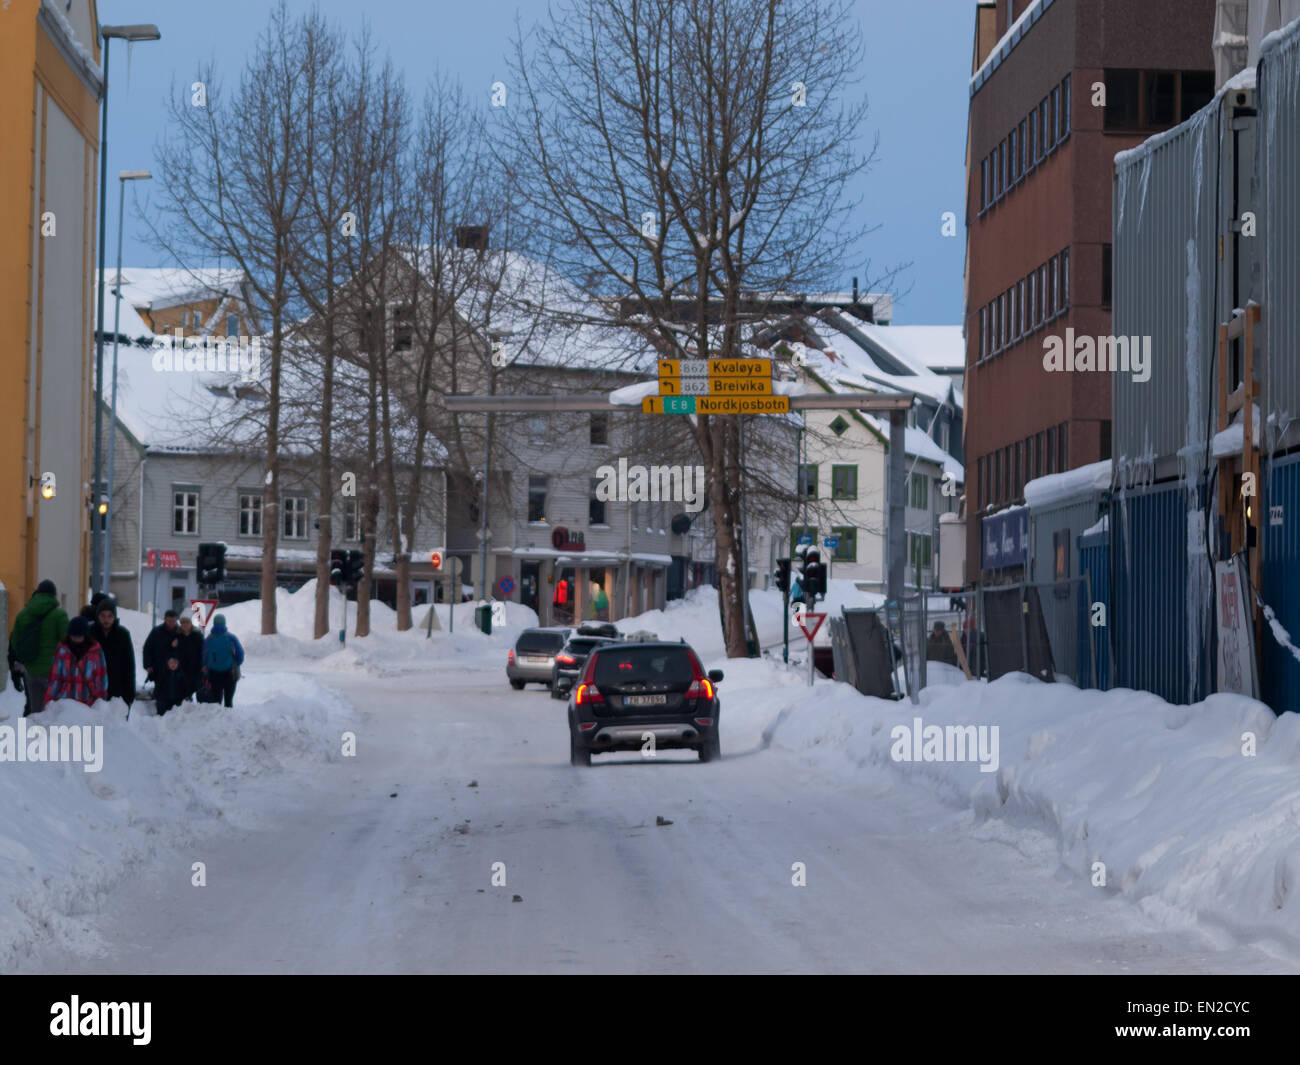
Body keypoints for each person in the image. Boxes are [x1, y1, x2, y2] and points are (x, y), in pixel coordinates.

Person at [7, 579, 68, 717]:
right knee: (54, 712)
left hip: (31, 671)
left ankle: (36, 736)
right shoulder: (59, 615)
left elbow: (15, 641)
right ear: (53, 595)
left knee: (35, 711)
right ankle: (53, 737)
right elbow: (67, 643)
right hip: (54, 673)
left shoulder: (22, 615)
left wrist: (27, 660)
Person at [44, 616, 108, 708]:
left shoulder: (95, 651)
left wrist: (101, 704)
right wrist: (48, 702)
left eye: (79, 636)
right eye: (73, 636)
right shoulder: (62, 649)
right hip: (65, 704)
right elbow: (55, 678)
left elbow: (101, 678)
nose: (76, 639)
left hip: (88, 705)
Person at [94, 598, 136, 708]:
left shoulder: (122, 634)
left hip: (117, 689)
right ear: (98, 616)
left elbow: (129, 665)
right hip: (95, 689)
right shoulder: (91, 633)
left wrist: (129, 694)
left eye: (110, 616)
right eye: (103, 616)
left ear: (114, 617)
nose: (106, 619)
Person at [202, 614, 245, 708]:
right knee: (228, 700)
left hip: (214, 673)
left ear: (214, 623)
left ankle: (217, 719)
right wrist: (236, 664)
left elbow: (204, 656)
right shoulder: (231, 638)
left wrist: (205, 669)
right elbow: (240, 654)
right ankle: (228, 719)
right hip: (230, 673)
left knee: (216, 700)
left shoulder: (209, 639)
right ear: (224, 623)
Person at [143, 610, 180, 693]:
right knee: (161, 691)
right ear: (165, 619)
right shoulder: (157, 631)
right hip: (159, 667)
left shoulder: (180, 632)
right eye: (169, 621)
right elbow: (147, 648)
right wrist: (148, 665)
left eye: (173, 621)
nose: (171, 623)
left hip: (176, 669)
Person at [175, 609, 205, 701]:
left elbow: (203, 652)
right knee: (185, 695)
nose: (184, 624)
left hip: (196, 669)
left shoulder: (197, 636)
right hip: (182, 669)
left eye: (187, 622)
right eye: (182, 622)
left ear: (191, 623)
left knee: (198, 691)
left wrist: (203, 665)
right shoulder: (177, 636)